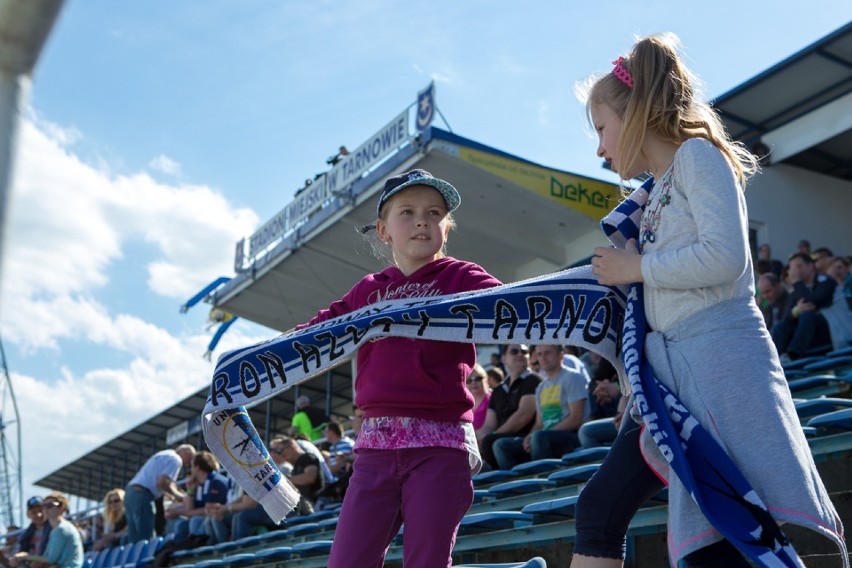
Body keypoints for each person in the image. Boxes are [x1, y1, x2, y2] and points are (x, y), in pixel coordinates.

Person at [576, 33, 843, 566]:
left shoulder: (699, 157)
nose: (600, 148)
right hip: (673, 377)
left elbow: (725, 259)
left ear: (638, 113)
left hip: (720, 368)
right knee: (603, 511)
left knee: (728, 535)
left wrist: (637, 267)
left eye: (602, 128)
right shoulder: (652, 198)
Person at [296, 168, 502, 567]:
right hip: (374, 450)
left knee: (425, 560)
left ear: (447, 228)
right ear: (383, 230)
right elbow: (314, 333)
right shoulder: (367, 289)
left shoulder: (462, 276)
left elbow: (515, 306)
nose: (422, 220)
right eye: (406, 212)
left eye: (435, 212)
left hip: (441, 447)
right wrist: (254, 358)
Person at [492, 344, 589, 469]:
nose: (543, 357)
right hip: (544, 438)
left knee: (539, 437)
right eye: (539, 354)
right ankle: (519, 485)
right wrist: (529, 437)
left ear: (561, 355)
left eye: (548, 353)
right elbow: (539, 424)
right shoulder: (541, 388)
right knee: (501, 445)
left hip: (571, 436)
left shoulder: (573, 377)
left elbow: (576, 418)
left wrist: (539, 435)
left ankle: (543, 480)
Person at [476, 343, 542, 470]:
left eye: (524, 352)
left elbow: (523, 415)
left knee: (495, 443)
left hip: (525, 438)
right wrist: (479, 439)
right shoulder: (498, 390)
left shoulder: (533, 380)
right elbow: (489, 424)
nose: (520, 354)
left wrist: (492, 436)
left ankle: (512, 484)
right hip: (499, 439)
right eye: (514, 351)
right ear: (504, 358)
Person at [124, 444, 196, 543]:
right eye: (191, 459)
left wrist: (171, 492)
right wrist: (178, 496)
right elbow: (162, 482)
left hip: (130, 493)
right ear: (186, 452)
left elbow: (160, 482)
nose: (188, 465)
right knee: (145, 537)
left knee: (134, 538)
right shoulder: (176, 459)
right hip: (142, 494)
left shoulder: (164, 454)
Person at [772, 252, 836, 361]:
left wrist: (797, 282)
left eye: (799, 266)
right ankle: (773, 359)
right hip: (809, 335)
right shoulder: (798, 288)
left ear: (811, 266)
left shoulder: (826, 281)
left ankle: (793, 355)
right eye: (793, 268)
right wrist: (796, 311)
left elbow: (813, 301)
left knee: (807, 315)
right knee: (781, 326)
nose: (795, 271)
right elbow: (787, 316)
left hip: (830, 329)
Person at [12, 493, 82, 568]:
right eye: (44, 506)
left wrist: (26, 556)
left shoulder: (62, 529)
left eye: (50, 505)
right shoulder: (56, 529)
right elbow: (46, 558)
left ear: (61, 508)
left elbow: (50, 559)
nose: (45, 509)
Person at [14, 497, 51, 564]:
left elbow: (51, 559)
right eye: (34, 512)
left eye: (41, 511)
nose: (39, 515)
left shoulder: (55, 530)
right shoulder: (24, 535)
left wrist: (28, 557)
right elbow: (16, 561)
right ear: (28, 515)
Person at [467, 364, 492, 433]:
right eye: (469, 380)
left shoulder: (493, 399)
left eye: (478, 378)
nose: (474, 383)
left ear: (486, 379)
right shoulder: (464, 404)